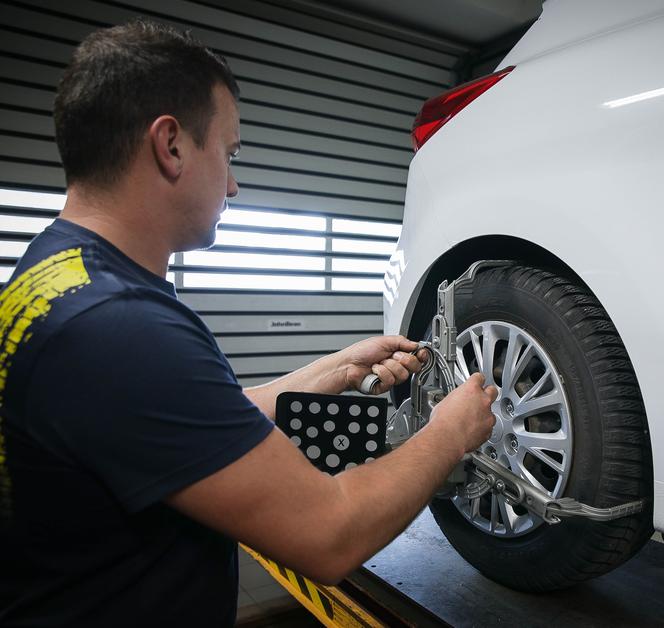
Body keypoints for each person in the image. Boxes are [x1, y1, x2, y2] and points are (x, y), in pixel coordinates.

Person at [0, 20, 498, 627]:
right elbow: (330, 533)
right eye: (228, 154)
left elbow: (184, 421)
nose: (233, 184)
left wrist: (337, 369)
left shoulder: (55, 273)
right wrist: (449, 434)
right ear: (171, 145)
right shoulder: (121, 328)